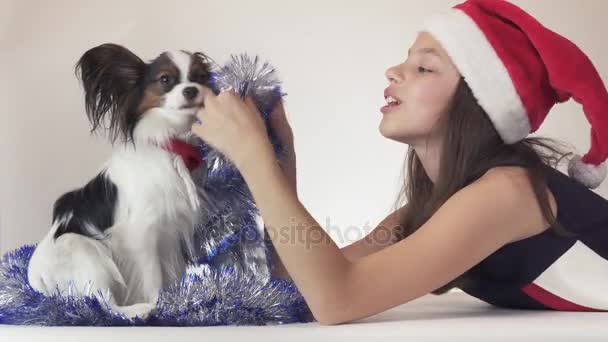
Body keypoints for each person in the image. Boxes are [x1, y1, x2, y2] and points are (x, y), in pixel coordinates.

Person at [191, 0, 608, 325]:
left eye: (424, 67)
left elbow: (338, 300)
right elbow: (297, 283)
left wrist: (254, 158)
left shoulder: (508, 191)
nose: (393, 70)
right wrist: (284, 161)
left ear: (478, 103)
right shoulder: (431, 210)